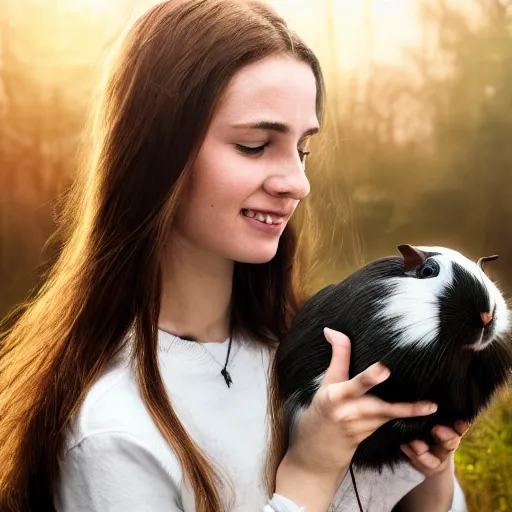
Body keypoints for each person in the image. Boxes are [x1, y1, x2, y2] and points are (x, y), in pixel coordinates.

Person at [0, 1, 469, 511]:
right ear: (158, 153)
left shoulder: (318, 351)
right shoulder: (110, 432)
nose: (297, 183)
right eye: (254, 144)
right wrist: (310, 472)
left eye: (302, 149)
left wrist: (427, 475)